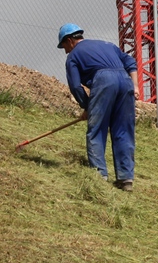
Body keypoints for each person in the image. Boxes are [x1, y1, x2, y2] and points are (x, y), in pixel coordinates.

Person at [57, 23, 138, 191]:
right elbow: (130, 62)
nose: (65, 51)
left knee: (97, 129)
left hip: (103, 81)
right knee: (123, 130)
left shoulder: (73, 56)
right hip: (125, 81)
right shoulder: (107, 45)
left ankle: (99, 175)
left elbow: (76, 86)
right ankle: (126, 179)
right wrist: (135, 85)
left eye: (64, 46)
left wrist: (87, 106)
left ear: (70, 40)